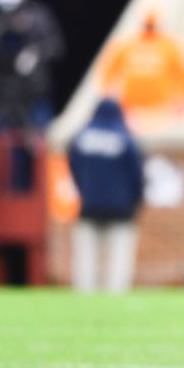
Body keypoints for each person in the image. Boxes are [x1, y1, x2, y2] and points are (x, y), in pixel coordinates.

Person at [67, 98, 144, 293]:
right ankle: (116, 294)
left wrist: (84, 190)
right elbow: (137, 174)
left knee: (86, 256)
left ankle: (84, 293)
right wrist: (134, 202)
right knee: (119, 256)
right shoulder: (125, 138)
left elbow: (73, 166)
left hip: (89, 206)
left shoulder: (82, 137)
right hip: (121, 209)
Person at [0, 0, 65, 130]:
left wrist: (35, 54)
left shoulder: (39, 17)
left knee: (42, 141)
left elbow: (57, 47)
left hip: (33, 95)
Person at [98, 9, 184, 133]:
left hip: (161, 110)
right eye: (147, 25)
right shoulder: (127, 45)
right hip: (132, 111)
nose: (150, 29)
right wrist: (109, 96)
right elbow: (108, 72)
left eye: (152, 25)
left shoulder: (170, 46)